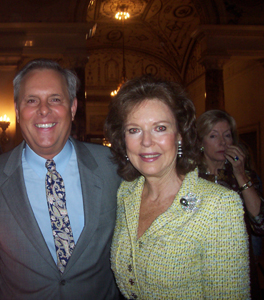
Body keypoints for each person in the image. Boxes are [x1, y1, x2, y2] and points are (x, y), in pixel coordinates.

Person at [0, 58, 122, 299]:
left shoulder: (113, 167)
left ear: (73, 107)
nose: (44, 110)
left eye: (55, 99)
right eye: (31, 100)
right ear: (17, 111)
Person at [105, 75, 250, 299]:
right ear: (123, 140)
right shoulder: (126, 193)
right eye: (134, 130)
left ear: (180, 135)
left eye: (160, 128)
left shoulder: (219, 206)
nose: (146, 142)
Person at [197, 109, 264, 299]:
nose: (223, 142)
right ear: (201, 141)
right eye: (213, 135)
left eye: (227, 135)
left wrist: (240, 174)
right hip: (200, 265)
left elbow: (260, 224)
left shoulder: (243, 176)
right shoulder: (189, 177)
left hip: (237, 263)